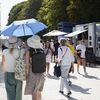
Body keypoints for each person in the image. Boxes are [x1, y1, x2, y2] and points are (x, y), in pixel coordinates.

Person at [2, 36, 23, 100]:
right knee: (18, 94)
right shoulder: (20, 51)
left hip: (8, 73)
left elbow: (3, 63)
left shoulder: (5, 51)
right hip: (18, 73)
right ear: (17, 43)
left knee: (10, 93)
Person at [25, 35, 45, 100]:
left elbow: (27, 65)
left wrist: (26, 75)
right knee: (39, 92)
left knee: (33, 92)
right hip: (41, 73)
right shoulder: (42, 50)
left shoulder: (29, 51)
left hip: (32, 73)